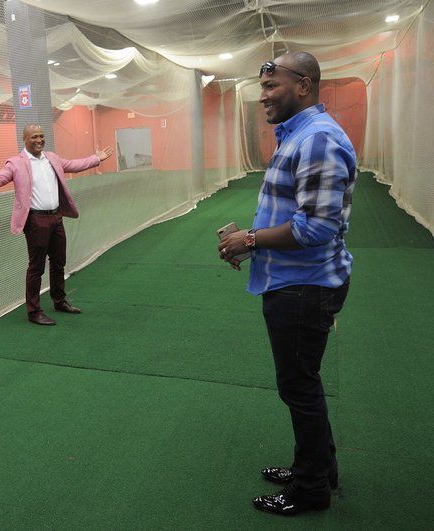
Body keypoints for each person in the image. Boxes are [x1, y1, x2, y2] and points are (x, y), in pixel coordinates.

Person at [217, 52, 357, 516]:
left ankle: (312, 489)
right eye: (262, 87)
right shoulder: (297, 134)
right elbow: (293, 213)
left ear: (304, 85)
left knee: (299, 388)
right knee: (304, 384)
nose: (263, 97)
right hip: (295, 282)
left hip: (304, 288)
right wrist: (251, 244)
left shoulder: (317, 140)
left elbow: (316, 228)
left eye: (272, 86)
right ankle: (316, 468)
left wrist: (251, 237)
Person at [0, 124, 112, 325]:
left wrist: (96, 158)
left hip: (56, 218)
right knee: (37, 267)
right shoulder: (16, 163)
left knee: (59, 262)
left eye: (41, 136)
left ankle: (60, 301)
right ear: (24, 139)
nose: (39, 140)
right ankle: (34, 311)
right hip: (35, 221)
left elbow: (74, 164)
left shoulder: (52, 158)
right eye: (34, 137)